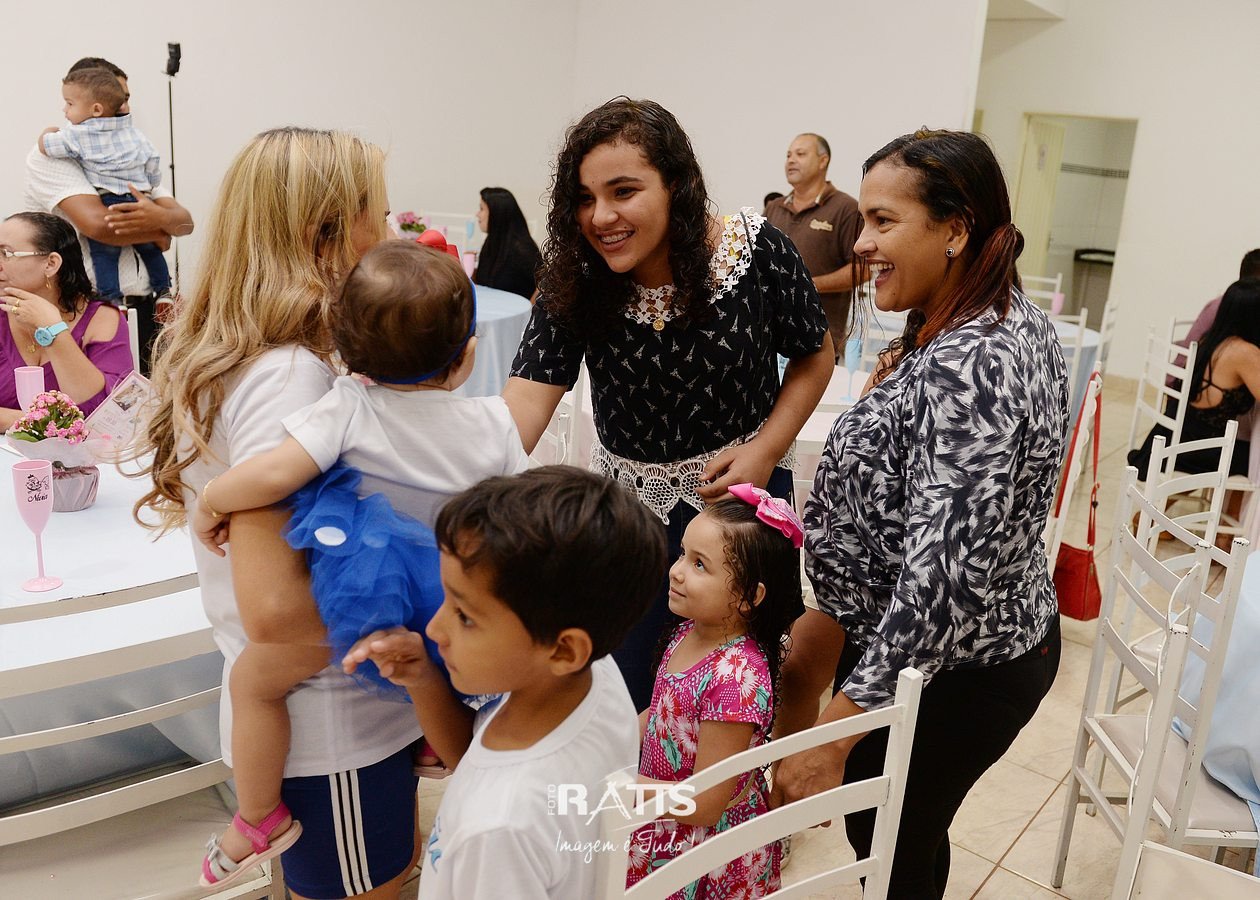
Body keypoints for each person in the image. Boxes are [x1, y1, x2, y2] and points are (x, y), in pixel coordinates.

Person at [772, 129, 1067, 899]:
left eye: (883, 221)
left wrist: (838, 729)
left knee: (892, 847)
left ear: (955, 229)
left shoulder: (976, 361)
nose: (861, 242)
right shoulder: (991, 318)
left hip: (957, 667)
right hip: (940, 652)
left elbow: (943, 581)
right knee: (907, 836)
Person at [187, 238, 529, 889]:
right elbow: (520, 521)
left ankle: (258, 816)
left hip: (364, 605)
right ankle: (433, 737)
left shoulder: (347, 405)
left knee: (254, 680)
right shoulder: (495, 422)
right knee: (437, 662)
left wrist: (213, 499)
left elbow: (276, 473)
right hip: (447, 612)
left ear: (345, 353)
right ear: (467, 356)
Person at [137, 127, 421, 900]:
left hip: (328, 721)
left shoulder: (264, 357)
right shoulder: (289, 375)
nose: (390, 236)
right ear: (324, 235)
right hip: (333, 727)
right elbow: (279, 614)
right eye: (379, 217)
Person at [503, 97, 834, 710]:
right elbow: (526, 396)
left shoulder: (756, 251)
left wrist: (765, 450)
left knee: (742, 689)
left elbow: (816, 355)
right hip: (633, 524)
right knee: (628, 687)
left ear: (676, 186)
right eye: (584, 198)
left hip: (740, 512)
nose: (601, 216)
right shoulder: (575, 277)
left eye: (624, 191)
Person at [342, 467, 668, 900]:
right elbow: (475, 761)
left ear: (563, 650)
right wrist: (423, 678)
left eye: (465, 616)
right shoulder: (596, 677)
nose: (434, 630)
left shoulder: (498, 830)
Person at [626, 485, 804, 897]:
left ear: (748, 597)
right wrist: (609, 741)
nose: (676, 571)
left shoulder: (735, 679)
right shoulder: (690, 632)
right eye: (682, 554)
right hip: (665, 817)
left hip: (706, 849)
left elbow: (705, 803)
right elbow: (662, 713)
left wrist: (621, 790)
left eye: (699, 564)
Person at [25, 57, 194, 375]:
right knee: (97, 401)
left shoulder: (131, 149)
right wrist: (159, 230)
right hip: (86, 308)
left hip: (147, 308)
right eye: (118, 99)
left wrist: (163, 222)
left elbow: (184, 222)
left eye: (126, 98)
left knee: (149, 396)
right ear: (95, 105)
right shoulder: (56, 154)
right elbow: (100, 226)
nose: (124, 107)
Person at [39, 66, 170, 303]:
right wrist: (150, 187)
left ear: (96, 109)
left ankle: (112, 299)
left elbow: (46, 146)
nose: (64, 109)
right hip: (140, 198)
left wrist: (47, 132)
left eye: (69, 103)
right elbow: (153, 160)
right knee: (151, 249)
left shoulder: (78, 135)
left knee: (104, 252)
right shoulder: (134, 134)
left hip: (110, 199)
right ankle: (164, 291)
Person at [0, 212, 132, 429]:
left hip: (86, 451)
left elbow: (108, 414)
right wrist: (39, 423)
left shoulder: (102, 319)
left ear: (51, 264)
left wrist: (53, 329)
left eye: (6, 253)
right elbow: (77, 422)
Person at [1131, 278, 1260, 478]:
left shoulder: (1211, 339)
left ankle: (1225, 493)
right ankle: (1231, 499)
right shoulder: (1243, 352)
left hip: (1172, 439)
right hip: (1194, 449)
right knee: (1254, 459)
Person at [763, 133, 862, 356]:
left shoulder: (846, 209)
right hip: (768, 339)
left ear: (823, 161)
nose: (791, 160)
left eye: (800, 154)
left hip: (818, 343)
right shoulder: (774, 208)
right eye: (788, 155)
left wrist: (807, 286)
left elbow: (862, 270)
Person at [473, 186, 542, 299]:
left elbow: (544, 283)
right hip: (494, 305)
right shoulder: (492, 242)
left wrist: (531, 307)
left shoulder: (522, 248)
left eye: (481, 209)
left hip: (517, 309)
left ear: (496, 213)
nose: (477, 214)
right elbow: (486, 281)